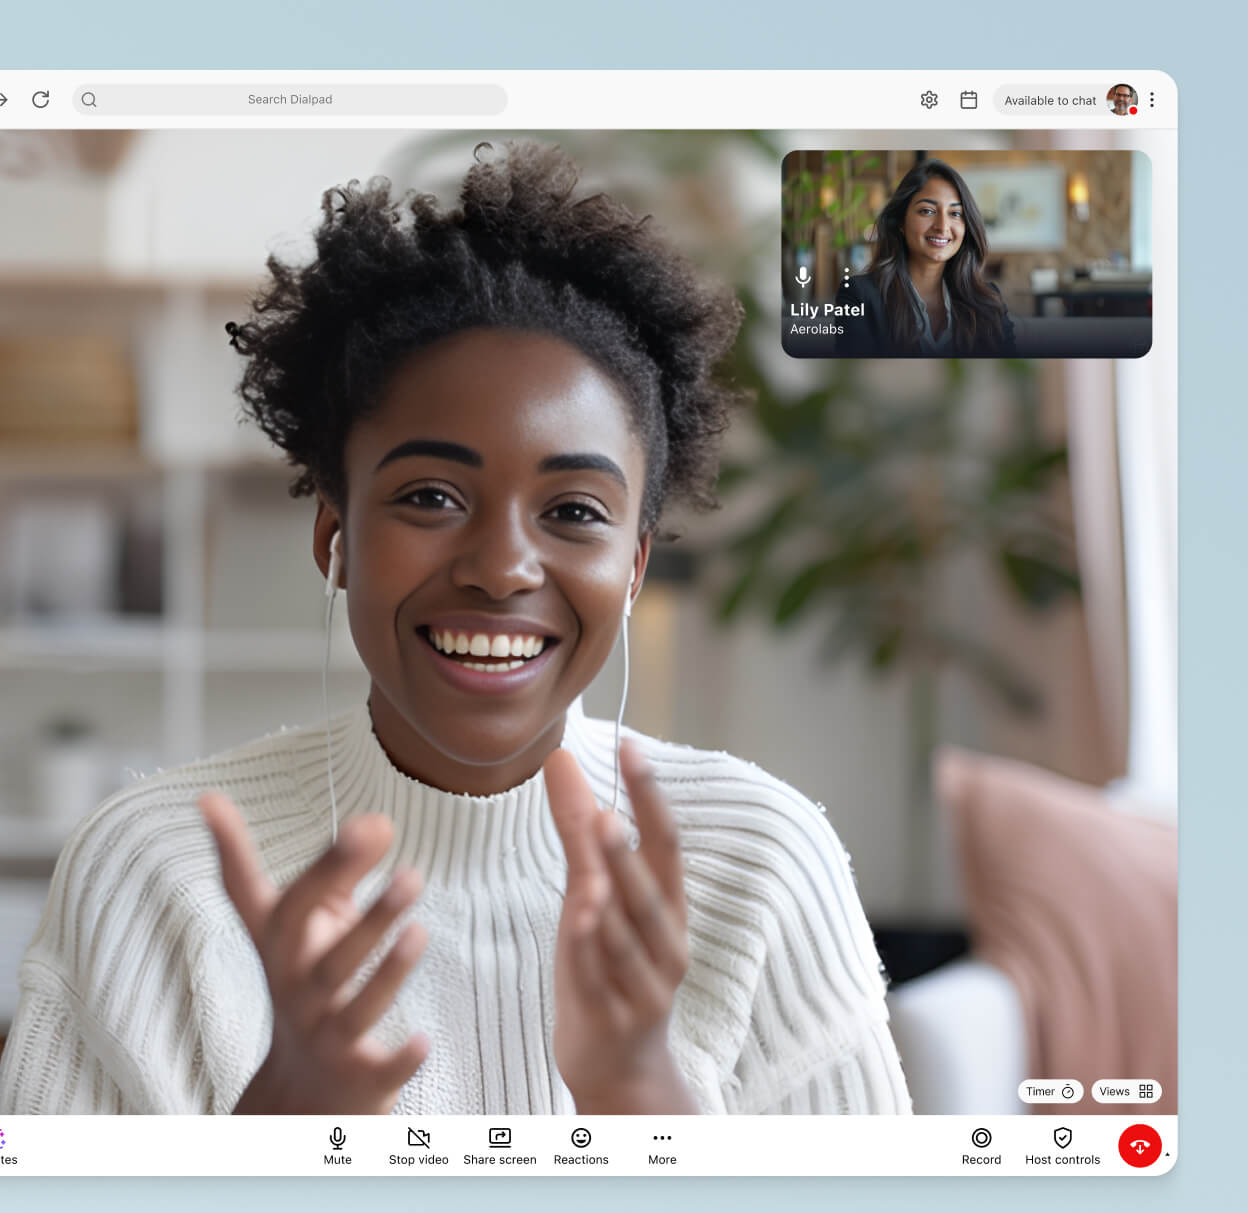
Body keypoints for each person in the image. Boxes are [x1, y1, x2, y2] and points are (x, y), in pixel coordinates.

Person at [0, 141, 911, 1116]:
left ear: (635, 568)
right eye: (432, 496)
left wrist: (646, 1104)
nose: (503, 567)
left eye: (574, 511)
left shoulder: (760, 864)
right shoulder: (154, 871)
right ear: (336, 537)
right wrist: (278, 1136)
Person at [836, 158, 1015, 357]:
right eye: (927, 211)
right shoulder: (859, 296)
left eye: (955, 213)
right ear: (901, 222)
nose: (942, 226)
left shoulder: (989, 301)